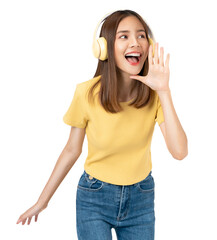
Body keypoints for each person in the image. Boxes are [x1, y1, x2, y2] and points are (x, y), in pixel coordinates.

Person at [16, 9, 188, 240]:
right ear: (104, 47)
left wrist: (164, 91)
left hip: (141, 197)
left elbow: (179, 152)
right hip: (94, 196)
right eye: (124, 36)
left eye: (141, 35)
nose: (135, 43)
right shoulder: (86, 93)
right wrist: (42, 202)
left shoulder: (154, 95)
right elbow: (71, 150)